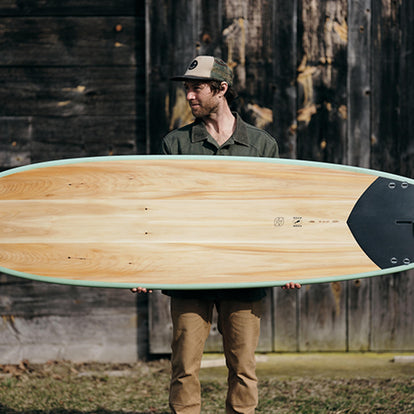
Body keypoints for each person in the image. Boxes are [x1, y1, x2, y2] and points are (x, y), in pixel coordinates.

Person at [133, 56, 301, 414]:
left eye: (197, 88)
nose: (189, 96)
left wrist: (287, 263)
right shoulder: (175, 144)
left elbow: (276, 210)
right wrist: (144, 265)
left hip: (244, 274)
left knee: (242, 368)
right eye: (187, 89)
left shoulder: (261, 145)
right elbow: (156, 210)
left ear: (221, 89)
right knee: (183, 369)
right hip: (188, 273)